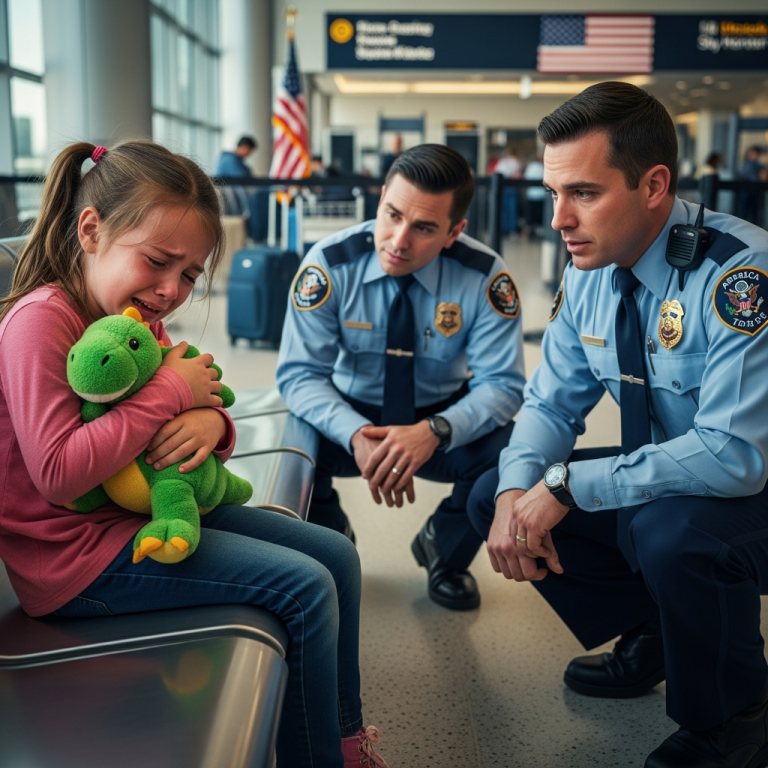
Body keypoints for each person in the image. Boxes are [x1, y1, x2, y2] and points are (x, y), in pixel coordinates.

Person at [0, 140, 389, 768]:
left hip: (140, 518)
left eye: (189, 275)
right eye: (158, 261)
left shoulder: (131, 318)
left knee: (337, 556)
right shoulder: (39, 322)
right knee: (306, 588)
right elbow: (58, 472)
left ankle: (345, 743)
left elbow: (192, 405)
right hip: (74, 562)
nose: (170, 290)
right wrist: (172, 395)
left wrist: (214, 424)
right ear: (91, 230)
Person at [467, 82, 768, 768]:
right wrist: (519, 491)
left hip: (753, 479)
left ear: (654, 185)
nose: (559, 219)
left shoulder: (739, 274)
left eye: (584, 193)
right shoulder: (590, 271)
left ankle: (736, 718)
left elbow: (734, 456)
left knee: (673, 534)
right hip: (682, 473)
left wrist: (568, 485)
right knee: (495, 495)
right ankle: (660, 634)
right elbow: (550, 406)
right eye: (553, 193)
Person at [276, 144, 526, 612]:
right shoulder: (330, 263)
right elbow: (300, 374)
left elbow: (503, 385)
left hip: (440, 416)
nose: (398, 240)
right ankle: (332, 540)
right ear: (381, 199)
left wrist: (434, 431)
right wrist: (354, 433)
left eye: (424, 228)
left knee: (511, 453)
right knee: (295, 440)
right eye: (392, 215)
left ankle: (444, 551)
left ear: (454, 232)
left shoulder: (484, 277)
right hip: (351, 412)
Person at [737, 145, 765, 226]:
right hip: (747, 192)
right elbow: (754, 178)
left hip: (754, 192)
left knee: (753, 214)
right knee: (746, 213)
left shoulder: (756, 165)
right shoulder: (748, 164)